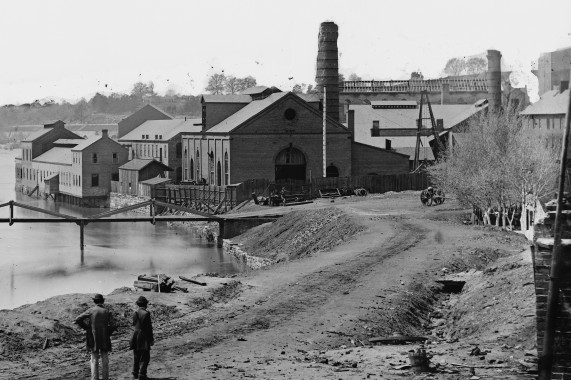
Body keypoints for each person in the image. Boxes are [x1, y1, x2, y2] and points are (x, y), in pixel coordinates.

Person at [75, 293, 115, 380]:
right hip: (104, 338)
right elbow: (113, 325)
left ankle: (94, 378)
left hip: (93, 338)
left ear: (95, 302)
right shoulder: (107, 311)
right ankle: (105, 378)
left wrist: (87, 328)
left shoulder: (91, 310)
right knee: (105, 359)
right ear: (102, 301)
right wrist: (108, 333)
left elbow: (78, 319)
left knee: (94, 358)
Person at [131, 296, 154, 380]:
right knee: (145, 356)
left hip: (135, 335)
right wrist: (151, 339)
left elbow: (134, 324)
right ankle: (142, 374)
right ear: (145, 304)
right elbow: (149, 327)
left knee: (136, 355)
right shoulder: (146, 313)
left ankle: (135, 373)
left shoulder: (135, 313)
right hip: (143, 335)